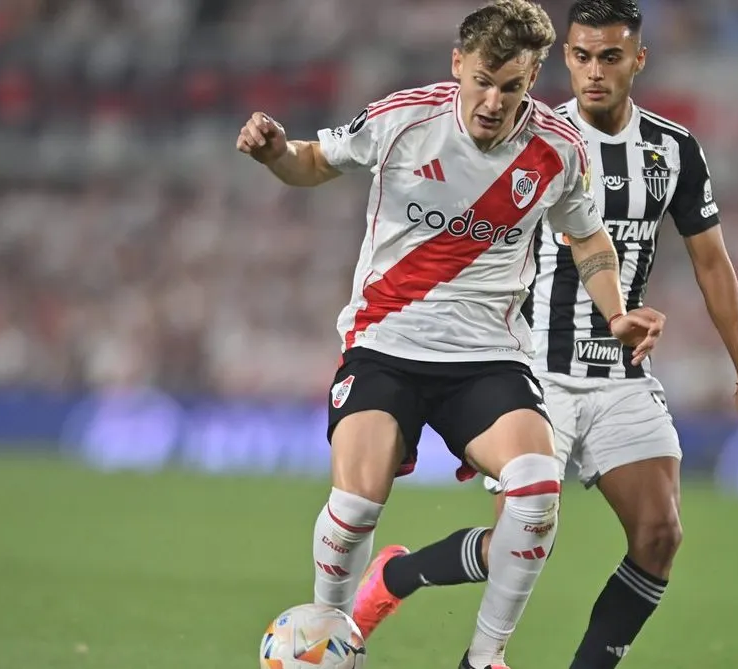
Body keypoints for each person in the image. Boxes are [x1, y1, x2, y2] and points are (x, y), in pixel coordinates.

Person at [349, 1, 738, 667]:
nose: (592, 70)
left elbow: (711, 263)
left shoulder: (672, 151)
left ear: (637, 60)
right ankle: (395, 578)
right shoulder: (535, 139)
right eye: (580, 56)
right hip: (532, 369)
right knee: (524, 538)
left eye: (610, 56)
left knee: (661, 532)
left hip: (620, 372)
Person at [235, 2, 666, 668]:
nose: (494, 101)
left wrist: (616, 313)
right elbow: (314, 160)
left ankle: (484, 658)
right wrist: (275, 154)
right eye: (484, 80)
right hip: (386, 344)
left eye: (512, 86)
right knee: (353, 504)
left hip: (487, 356)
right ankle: (326, 640)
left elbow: (587, 236)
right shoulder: (404, 120)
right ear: (458, 65)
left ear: (532, 79)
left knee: (535, 492)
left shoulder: (556, 149)